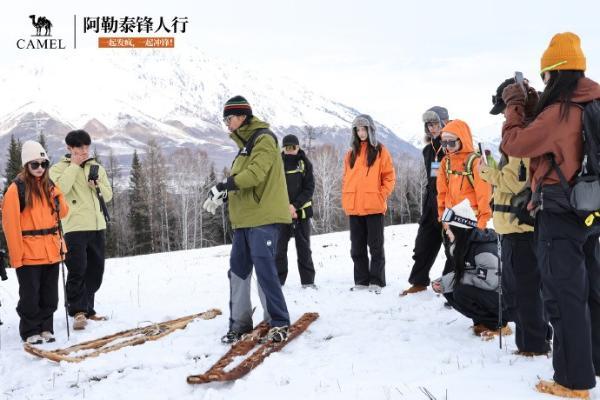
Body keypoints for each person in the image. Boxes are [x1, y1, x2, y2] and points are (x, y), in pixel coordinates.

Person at [501, 32, 600, 398]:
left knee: (562, 296)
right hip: (589, 209)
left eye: (544, 77)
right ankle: (593, 362)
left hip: (559, 215)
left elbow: (515, 143)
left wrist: (514, 105)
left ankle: (573, 382)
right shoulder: (591, 100)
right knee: (590, 290)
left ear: (554, 73)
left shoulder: (560, 112)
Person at [203, 95, 291, 343]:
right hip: (244, 220)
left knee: (265, 271)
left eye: (229, 118)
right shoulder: (244, 146)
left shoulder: (264, 139)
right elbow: (242, 181)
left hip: (263, 217)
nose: (227, 124)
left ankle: (279, 322)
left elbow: (254, 175)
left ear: (242, 116)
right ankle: (240, 324)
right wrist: (224, 193)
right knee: (239, 272)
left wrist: (226, 184)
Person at [479, 77, 551, 356]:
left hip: (519, 227)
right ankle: (539, 337)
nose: (504, 117)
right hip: (519, 225)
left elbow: (515, 182)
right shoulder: (527, 130)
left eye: (505, 110)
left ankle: (532, 345)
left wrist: (487, 172)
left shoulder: (522, 134)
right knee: (529, 286)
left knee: (524, 289)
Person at [2, 141, 69, 343]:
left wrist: (59, 196)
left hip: (51, 250)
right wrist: (16, 257)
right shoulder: (16, 190)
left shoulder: (50, 187)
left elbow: (63, 213)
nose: (40, 168)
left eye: (44, 164)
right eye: (35, 164)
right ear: (26, 165)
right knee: (30, 295)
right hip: (28, 253)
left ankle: (46, 328)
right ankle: (30, 330)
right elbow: (10, 225)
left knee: (50, 295)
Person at [49, 130, 112, 331]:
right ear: (69, 148)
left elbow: (108, 195)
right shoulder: (58, 169)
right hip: (74, 226)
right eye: (79, 148)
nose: (83, 151)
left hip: (97, 225)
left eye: (86, 147)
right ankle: (77, 311)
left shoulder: (96, 167)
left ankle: (89, 309)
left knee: (95, 270)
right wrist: (74, 167)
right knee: (77, 269)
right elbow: (61, 190)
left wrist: (96, 186)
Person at [432, 199, 511, 339]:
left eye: (449, 228)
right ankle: (483, 322)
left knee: (460, 290)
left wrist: (456, 279)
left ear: (460, 228)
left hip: (507, 299)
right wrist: (445, 283)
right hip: (492, 296)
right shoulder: (461, 245)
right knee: (449, 290)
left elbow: (491, 283)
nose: (447, 232)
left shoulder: (483, 249)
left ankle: (500, 325)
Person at [402, 106, 453, 296]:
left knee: (452, 250)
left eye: (435, 123)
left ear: (445, 123)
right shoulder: (427, 150)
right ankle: (418, 282)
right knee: (423, 245)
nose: (432, 128)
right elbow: (431, 180)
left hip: (450, 206)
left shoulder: (453, 145)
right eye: (429, 124)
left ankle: (451, 290)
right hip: (431, 204)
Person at [342, 114, 395, 294]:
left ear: (370, 130)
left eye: (364, 129)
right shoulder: (350, 154)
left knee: (375, 246)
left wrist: (381, 194)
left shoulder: (381, 151)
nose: (361, 133)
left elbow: (389, 177)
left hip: (374, 206)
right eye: (358, 129)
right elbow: (346, 178)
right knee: (356, 247)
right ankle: (362, 281)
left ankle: (377, 281)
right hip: (354, 207)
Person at [275, 134, 316, 288]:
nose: (290, 150)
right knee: (279, 250)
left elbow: (309, 188)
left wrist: (295, 206)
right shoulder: (277, 164)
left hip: (301, 213)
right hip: (281, 213)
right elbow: (274, 188)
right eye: (287, 147)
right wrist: (285, 206)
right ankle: (278, 282)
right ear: (283, 148)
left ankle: (308, 282)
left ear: (298, 147)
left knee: (304, 248)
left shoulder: (305, 163)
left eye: (293, 147)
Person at [436, 119, 492, 230]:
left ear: (462, 139)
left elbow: (484, 195)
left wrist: (482, 223)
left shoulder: (475, 162)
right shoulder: (445, 162)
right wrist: (442, 214)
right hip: (450, 220)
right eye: (444, 142)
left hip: (471, 222)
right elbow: (441, 191)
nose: (448, 146)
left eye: (451, 142)